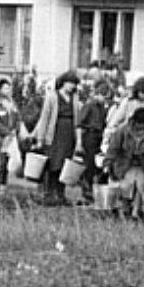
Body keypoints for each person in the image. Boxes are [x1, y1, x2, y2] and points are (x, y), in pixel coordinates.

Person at [104, 107, 144, 219]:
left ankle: (135, 211)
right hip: (124, 164)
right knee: (126, 185)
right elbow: (113, 148)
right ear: (135, 122)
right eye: (142, 124)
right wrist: (108, 163)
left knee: (141, 184)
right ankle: (123, 208)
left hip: (143, 165)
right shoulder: (122, 131)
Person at [35, 70, 82, 205]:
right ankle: (49, 193)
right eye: (70, 83)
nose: (72, 86)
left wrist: (78, 140)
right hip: (55, 134)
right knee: (53, 164)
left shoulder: (75, 98)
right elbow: (45, 118)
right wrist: (40, 138)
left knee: (65, 165)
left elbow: (78, 120)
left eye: (74, 84)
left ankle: (61, 194)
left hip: (69, 134)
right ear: (63, 83)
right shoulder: (52, 97)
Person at [77, 79, 113, 203]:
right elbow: (80, 124)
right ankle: (85, 193)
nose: (104, 99)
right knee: (88, 165)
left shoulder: (102, 107)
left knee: (97, 165)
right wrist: (79, 142)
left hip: (99, 136)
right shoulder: (89, 105)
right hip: (89, 135)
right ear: (97, 93)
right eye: (103, 96)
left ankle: (93, 192)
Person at [0, 77, 25, 192]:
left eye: (9, 88)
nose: (8, 90)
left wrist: (15, 130)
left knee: (7, 160)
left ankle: (4, 184)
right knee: (0, 161)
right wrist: (6, 132)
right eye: (5, 88)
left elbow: (17, 118)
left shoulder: (12, 104)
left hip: (11, 137)